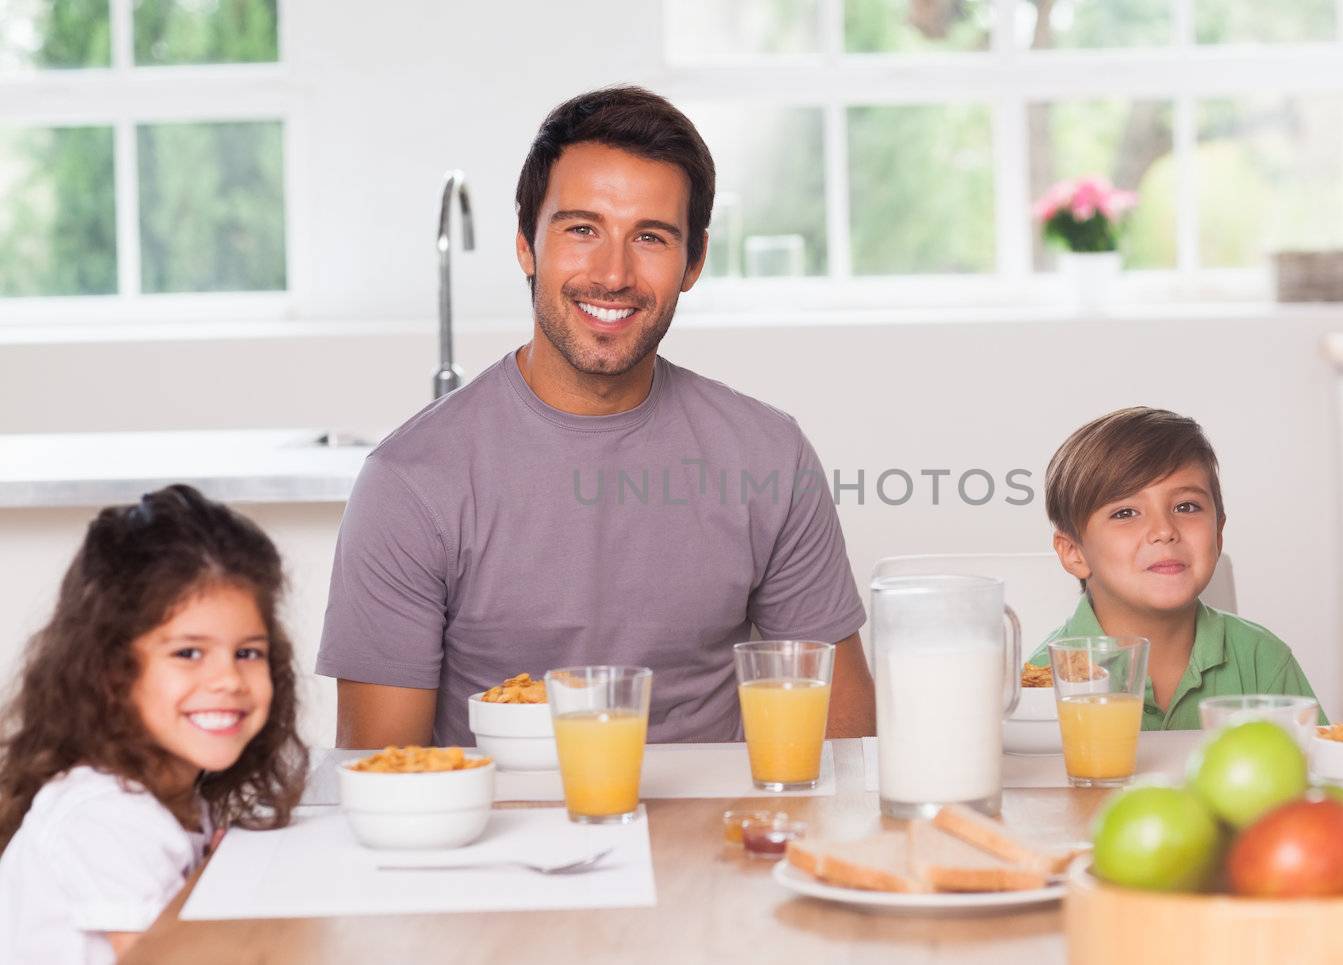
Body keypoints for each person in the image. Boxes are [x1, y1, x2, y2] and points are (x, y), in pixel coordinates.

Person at [316, 86, 873, 749]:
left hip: (709, 841)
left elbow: (845, 743)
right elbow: (385, 777)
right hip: (498, 845)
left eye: (651, 237)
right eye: (582, 229)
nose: (613, 273)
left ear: (693, 262)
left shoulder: (768, 455)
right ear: (526, 244)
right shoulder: (409, 482)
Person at [0, 485, 306, 963]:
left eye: (247, 652)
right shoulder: (105, 815)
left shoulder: (176, 798)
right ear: (111, 671)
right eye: (189, 653)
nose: (228, 679)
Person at [1025, 407, 1323, 730]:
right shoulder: (1039, 686)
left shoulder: (1263, 661)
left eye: (1186, 507)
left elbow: (1318, 771)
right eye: (1125, 513)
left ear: (1218, 533)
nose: (1164, 530)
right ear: (1074, 553)